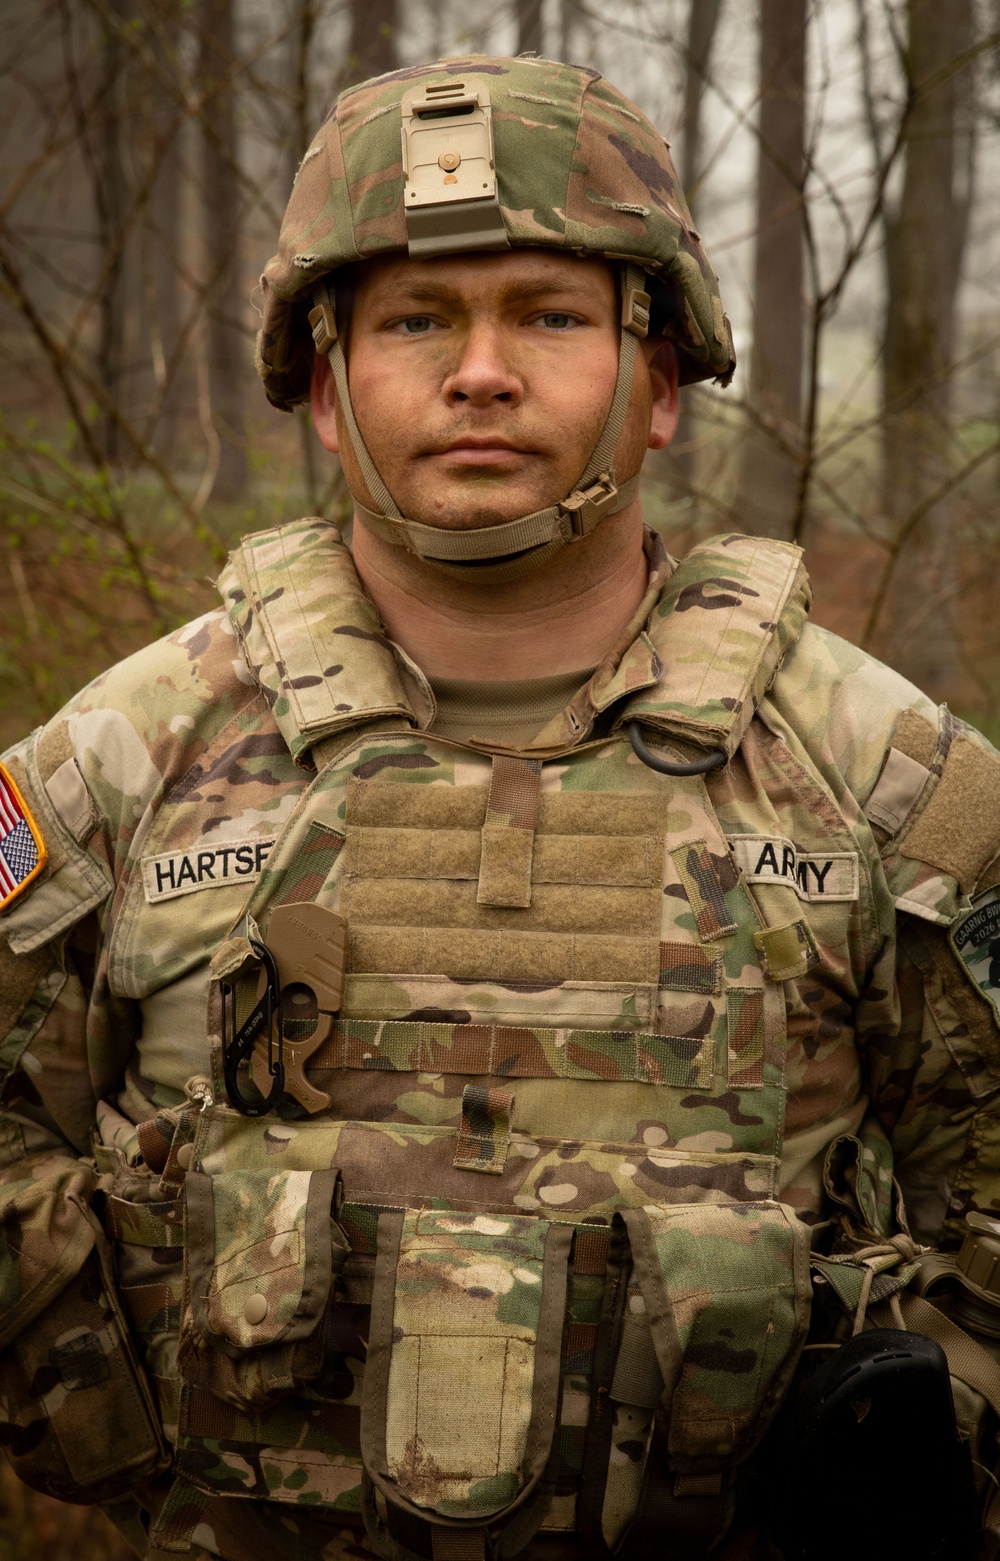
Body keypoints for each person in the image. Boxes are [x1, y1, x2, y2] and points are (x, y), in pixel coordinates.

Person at [1, 52, 999, 1561]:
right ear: (328, 393)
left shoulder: (880, 779)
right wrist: (114, 1391)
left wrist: (939, 1431)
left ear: (656, 384)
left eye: (547, 314)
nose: (481, 371)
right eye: (416, 319)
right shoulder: (125, 760)